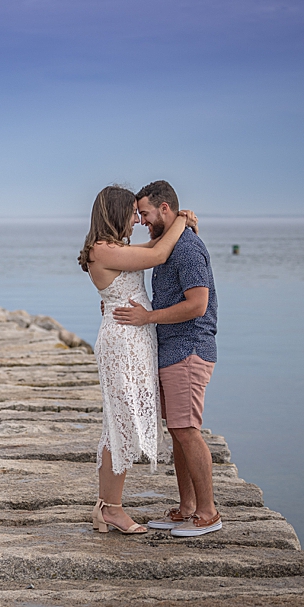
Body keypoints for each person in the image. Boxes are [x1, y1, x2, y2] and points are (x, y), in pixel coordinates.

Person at [77, 185, 194, 534]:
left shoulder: (115, 248)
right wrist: (183, 219)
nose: (135, 218)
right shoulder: (102, 250)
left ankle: (106, 507)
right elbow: (158, 256)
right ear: (114, 213)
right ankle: (111, 508)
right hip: (123, 341)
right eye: (130, 212)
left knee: (119, 421)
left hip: (135, 339)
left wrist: (178, 225)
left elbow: (153, 249)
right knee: (121, 421)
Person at [113, 180, 221, 537]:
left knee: (187, 430)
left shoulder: (188, 248)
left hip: (189, 349)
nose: (142, 220)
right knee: (177, 432)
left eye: (144, 213)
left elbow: (198, 304)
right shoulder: (169, 244)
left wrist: (147, 318)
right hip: (172, 350)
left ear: (164, 208)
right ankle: (188, 507)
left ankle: (208, 513)